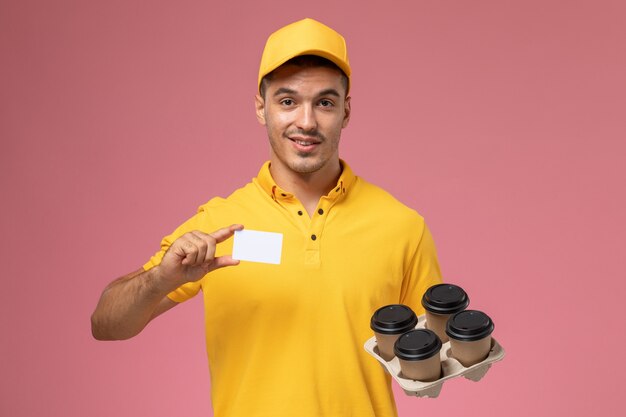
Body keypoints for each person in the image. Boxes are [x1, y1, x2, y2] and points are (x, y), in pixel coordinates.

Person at [91, 18, 442, 417]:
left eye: (324, 103)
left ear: (345, 112)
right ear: (262, 108)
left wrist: (463, 347)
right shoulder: (219, 222)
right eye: (288, 101)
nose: (306, 122)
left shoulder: (402, 226)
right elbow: (106, 324)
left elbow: (433, 358)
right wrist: (161, 279)